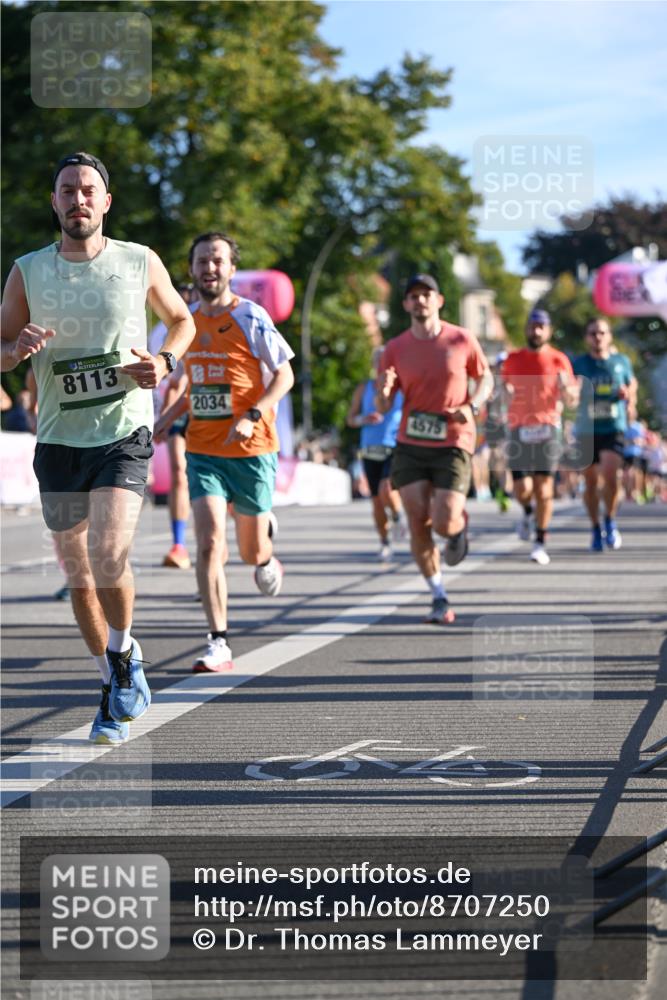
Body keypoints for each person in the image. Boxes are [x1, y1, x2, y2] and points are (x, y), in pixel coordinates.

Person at [1, 151, 196, 744]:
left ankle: (117, 664)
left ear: (105, 202)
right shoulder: (27, 271)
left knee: (110, 553)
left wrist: (162, 361)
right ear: (54, 202)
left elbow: (182, 321)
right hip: (59, 438)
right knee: (77, 573)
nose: (77, 199)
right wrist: (15, 352)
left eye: (88, 190)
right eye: (67, 190)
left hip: (123, 430)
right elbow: (0, 346)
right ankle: (115, 669)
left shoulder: (139, 261)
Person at [154, 232, 294, 672]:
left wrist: (254, 412)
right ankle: (218, 641)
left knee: (252, 553)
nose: (209, 268)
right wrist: (164, 420)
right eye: (201, 261)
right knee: (210, 540)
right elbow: (198, 385)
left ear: (231, 268)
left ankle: (266, 548)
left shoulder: (251, 316)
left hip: (252, 448)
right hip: (203, 450)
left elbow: (284, 376)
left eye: (217, 260)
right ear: (191, 269)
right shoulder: (186, 323)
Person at [376, 274, 492, 624]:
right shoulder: (394, 348)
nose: (420, 301)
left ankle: (456, 529)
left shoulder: (461, 338)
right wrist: (383, 390)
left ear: (439, 300)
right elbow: (383, 407)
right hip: (411, 442)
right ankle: (438, 594)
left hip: (454, 439)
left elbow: (485, 377)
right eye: (413, 296)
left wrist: (472, 406)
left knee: (442, 521)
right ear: (405, 305)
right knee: (417, 519)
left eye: (426, 295)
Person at [501, 309, 578, 566]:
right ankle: (526, 512)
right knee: (522, 489)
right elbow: (502, 391)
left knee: (544, 489)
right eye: (532, 326)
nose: (536, 331)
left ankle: (540, 542)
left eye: (541, 327)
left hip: (547, 428)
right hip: (519, 428)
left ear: (549, 330)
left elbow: (572, 399)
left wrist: (568, 391)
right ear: (526, 330)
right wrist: (505, 395)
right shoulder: (512, 359)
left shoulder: (559, 360)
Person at [572, 317, 637, 551]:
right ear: (587, 338)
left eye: (601, 333)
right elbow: (569, 393)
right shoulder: (578, 364)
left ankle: (610, 519)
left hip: (613, 427)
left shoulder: (621, 362)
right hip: (587, 430)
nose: (597, 337)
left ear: (609, 336)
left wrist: (627, 395)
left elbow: (632, 386)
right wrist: (574, 392)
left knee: (610, 476)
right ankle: (595, 527)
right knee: (590, 483)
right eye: (592, 333)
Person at [149, 283, 198, 568]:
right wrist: (163, 417)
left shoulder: (205, 320)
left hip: (208, 405)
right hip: (179, 406)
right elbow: (171, 382)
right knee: (180, 472)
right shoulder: (157, 332)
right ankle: (179, 544)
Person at [346, 346, 406, 561]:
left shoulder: (402, 389)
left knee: (386, 488)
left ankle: (399, 517)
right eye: (378, 362)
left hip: (395, 445)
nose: (381, 366)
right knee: (376, 502)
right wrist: (363, 419)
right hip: (370, 448)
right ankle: (385, 541)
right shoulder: (364, 388)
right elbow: (350, 419)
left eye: (386, 362)